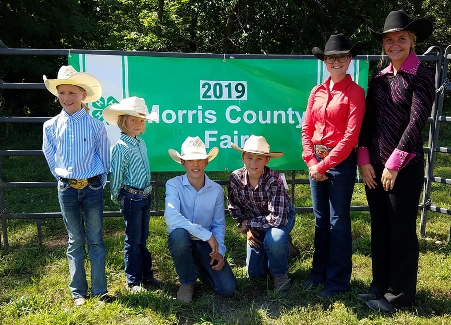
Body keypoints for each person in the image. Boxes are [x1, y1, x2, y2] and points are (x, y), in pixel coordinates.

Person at [356, 10, 435, 313]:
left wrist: (393, 163)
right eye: (390, 40)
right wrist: (364, 162)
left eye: (401, 38)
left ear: (412, 41)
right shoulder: (378, 80)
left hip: (404, 167)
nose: (395, 44)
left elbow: (416, 123)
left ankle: (399, 295)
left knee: (401, 230)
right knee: (380, 228)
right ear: (384, 45)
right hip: (374, 168)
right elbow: (368, 124)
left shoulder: (422, 75)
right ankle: (379, 287)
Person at [301, 34, 366, 299]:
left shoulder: (356, 93)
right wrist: (311, 161)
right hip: (317, 161)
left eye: (341, 56)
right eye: (331, 58)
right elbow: (306, 128)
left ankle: (338, 281)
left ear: (349, 60)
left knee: (338, 222)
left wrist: (324, 164)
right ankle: (319, 273)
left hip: (340, 164)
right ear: (325, 62)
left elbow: (351, 136)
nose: (336, 61)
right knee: (321, 221)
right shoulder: (316, 92)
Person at [42, 65, 110, 306]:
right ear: (57, 95)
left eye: (72, 93)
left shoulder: (95, 125)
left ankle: (100, 290)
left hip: (92, 188)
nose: (66, 98)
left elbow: (103, 156)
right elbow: (50, 155)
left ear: (83, 95)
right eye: (62, 93)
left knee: (95, 238)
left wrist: (98, 183)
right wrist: (62, 179)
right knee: (74, 239)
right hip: (67, 189)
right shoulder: (50, 126)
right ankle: (78, 291)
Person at [164, 136, 236, 303]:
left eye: (199, 160)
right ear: (183, 163)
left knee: (228, 288)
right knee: (178, 235)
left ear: (206, 162)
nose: (195, 164)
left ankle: (197, 265)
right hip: (184, 240)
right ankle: (187, 282)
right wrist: (206, 234)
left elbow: (218, 224)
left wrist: (220, 251)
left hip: (206, 244)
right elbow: (171, 217)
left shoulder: (216, 190)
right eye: (190, 160)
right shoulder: (173, 184)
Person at [102, 96, 161, 293]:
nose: (138, 124)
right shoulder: (120, 147)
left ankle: (146, 275)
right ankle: (133, 281)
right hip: (131, 197)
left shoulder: (140, 143)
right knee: (133, 239)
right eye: (133, 119)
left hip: (144, 195)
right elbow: (116, 175)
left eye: (141, 120)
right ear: (122, 120)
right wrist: (116, 195)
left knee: (142, 237)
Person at [228, 135, 297, 292]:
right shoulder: (235, 178)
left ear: (267, 160)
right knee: (255, 273)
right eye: (249, 158)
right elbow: (234, 207)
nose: (253, 163)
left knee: (275, 238)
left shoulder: (275, 180)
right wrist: (246, 229)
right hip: (255, 221)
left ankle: (280, 275)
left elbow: (277, 219)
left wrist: (250, 224)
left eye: (259, 159)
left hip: (281, 218)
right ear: (243, 158)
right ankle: (284, 249)